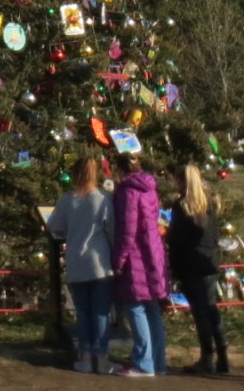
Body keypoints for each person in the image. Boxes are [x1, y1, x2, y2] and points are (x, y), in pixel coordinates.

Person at [46, 156, 116, 373]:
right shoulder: (102, 199)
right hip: (100, 262)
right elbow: (112, 230)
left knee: (83, 312)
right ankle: (102, 359)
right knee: (101, 312)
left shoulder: (67, 200)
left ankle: (85, 357)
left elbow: (53, 227)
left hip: (76, 261)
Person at [167, 163, 229, 376]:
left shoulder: (181, 206)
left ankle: (207, 357)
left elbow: (177, 240)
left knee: (200, 312)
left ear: (182, 181)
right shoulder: (208, 203)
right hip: (209, 261)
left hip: (191, 264)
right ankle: (223, 356)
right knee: (212, 309)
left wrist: (173, 264)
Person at [111, 152, 169, 377]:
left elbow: (127, 230)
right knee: (152, 306)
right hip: (152, 251)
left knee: (135, 306)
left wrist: (119, 260)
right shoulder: (150, 188)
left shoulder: (128, 192)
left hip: (136, 255)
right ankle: (158, 361)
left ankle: (143, 363)